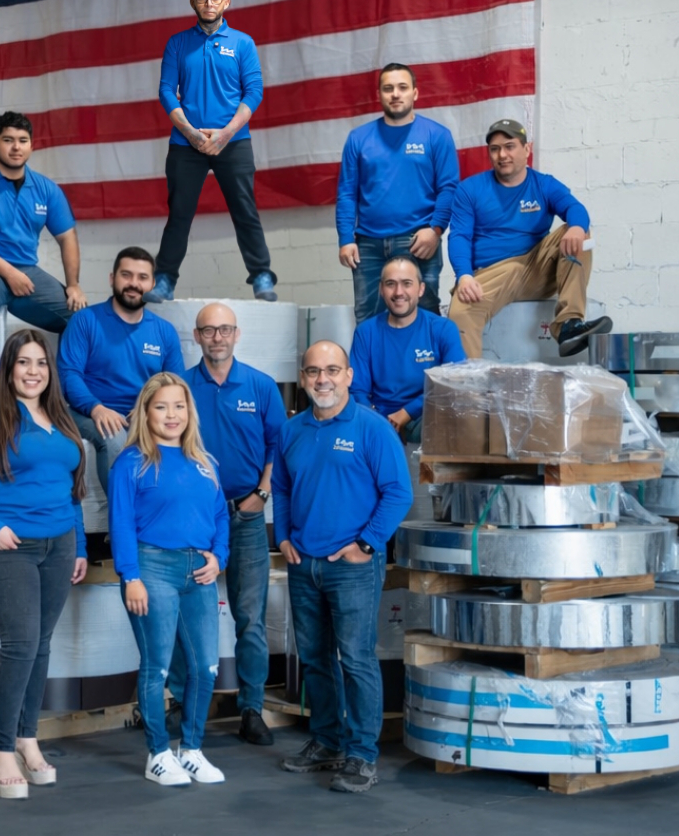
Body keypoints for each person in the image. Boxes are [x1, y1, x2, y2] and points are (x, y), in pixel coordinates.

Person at [0, 330, 90, 800]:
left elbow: (71, 487)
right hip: (8, 547)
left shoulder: (60, 416)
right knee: (21, 643)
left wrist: (79, 544)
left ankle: (28, 738)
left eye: (41, 363)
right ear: (8, 369)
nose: (33, 371)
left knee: (41, 645)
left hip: (59, 545)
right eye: (24, 362)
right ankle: (2, 749)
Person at [273, 342, 413, 794]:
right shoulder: (291, 430)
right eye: (314, 371)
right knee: (315, 658)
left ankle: (361, 755)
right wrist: (283, 536)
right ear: (303, 377)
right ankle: (327, 741)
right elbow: (281, 487)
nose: (323, 379)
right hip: (303, 563)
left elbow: (399, 493)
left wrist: (367, 545)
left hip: (352, 567)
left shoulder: (372, 428)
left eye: (332, 370)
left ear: (349, 376)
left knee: (355, 658)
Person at [166, 303, 286, 746]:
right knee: (185, 613)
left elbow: (278, 447)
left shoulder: (261, 386)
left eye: (225, 329)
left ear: (236, 334)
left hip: (246, 515)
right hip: (194, 520)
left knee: (249, 617)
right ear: (196, 336)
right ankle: (182, 701)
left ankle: (251, 708)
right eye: (209, 330)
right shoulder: (181, 388)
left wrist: (262, 495)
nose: (217, 337)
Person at [109, 372, 231, 787]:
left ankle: (191, 750)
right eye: (161, 407)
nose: (171, 414)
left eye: (179, 406)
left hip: (200, 572)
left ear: (189, 411)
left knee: (206, 667)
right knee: (157, 667)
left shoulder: (205, 463)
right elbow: (121, 522)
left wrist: (219, 558)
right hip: (152, 568)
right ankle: (158, 753)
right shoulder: (132, 463)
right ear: (146, 412)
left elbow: (220, 515)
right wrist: (131, 576)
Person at [150, 0, 276, 305]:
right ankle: (164, 279)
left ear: (226, 2)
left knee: (245, 210)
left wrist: (226, 133)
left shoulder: (243, 43)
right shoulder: (177, 43)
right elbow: (166, 91)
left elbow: (254, 91)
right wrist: (190, 132)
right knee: (179, 214)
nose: (209, 3)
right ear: (193, 2)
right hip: (185, 143)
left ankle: (261, 275)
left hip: (233, 141)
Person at [445, 119, 613, 358]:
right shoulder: (469, 189)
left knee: (579, 234)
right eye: (495, 149)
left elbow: (575, 208)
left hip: (536, 269)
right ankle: (468, 380)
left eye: (510, 146)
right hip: (492, 273)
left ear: (526, 149)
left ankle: (569, 325)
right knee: (460, 314)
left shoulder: (544, 184)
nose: (502, 155)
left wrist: (577, 227)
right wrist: (463, 275)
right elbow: (459, 236)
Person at [336, 63, 460, 321]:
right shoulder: (358, 138)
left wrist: (436, 230)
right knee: (367, 319)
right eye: (388, 88)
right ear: (379, 94)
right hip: (367, 245)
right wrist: (346, 238)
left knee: (423, 316)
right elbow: (347, 192)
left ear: (415, 93)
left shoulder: (437, 135)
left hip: (418, 241)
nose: (395, 94)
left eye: (402, 87)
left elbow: (448, 189)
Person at [58, 247, 185, 495]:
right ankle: (123, 517)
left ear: (152, 284)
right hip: (89, 412)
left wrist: (146, 410)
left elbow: (174, 385)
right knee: (114, 435)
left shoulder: (164, 331)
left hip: (142, 414)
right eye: (126, 275)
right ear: (112, 278)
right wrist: (96, 408)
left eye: (142, 277)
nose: (133, 283)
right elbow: (68, 374)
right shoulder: (85, 320)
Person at [0, 111, 88, 339]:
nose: (16, 147)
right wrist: (10, 273)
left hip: (27, 272)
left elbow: (67, 236)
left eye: (22, 140)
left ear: (31, 145)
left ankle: (63, 366)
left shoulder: (46, 189)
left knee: (82, 319)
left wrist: (73, 284)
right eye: (8, 140)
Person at [349, 257, 466, 444]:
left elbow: (454, 381)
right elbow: (357, 390)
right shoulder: (366, 332)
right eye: (390, 284)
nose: (398, 292)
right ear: (381, 289)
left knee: (457, 420)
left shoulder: (443, 329)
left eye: (407, 283)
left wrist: (407, 412)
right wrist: (376, 423)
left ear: (421, 289)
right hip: (379, 420)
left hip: (426, 416)